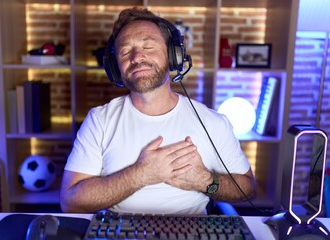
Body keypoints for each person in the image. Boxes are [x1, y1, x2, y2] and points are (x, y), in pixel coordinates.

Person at [60, 7, 256, 215]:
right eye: (125, 51)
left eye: (149, 46)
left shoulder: (213, 122)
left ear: (174, 55)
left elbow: (247, 188)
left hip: (191, 231)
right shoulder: (99, 120)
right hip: (120, 232)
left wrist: (206, 181)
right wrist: (141, 174)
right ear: (116, 67)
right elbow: (71, 202)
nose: (137, 57)